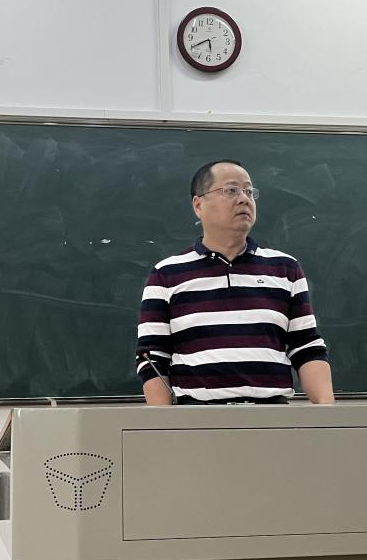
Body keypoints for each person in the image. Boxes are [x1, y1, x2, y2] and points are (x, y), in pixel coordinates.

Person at [135, 159, 335, 405]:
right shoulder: (166, 274)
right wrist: (165, 422)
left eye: (249, 192)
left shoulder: (285, 269)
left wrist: (328, 414)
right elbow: (152, 357)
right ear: (198, 205)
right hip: (197, 417)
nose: (244, 199)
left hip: (273, 416)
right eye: (231, 190)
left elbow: (307, 348)